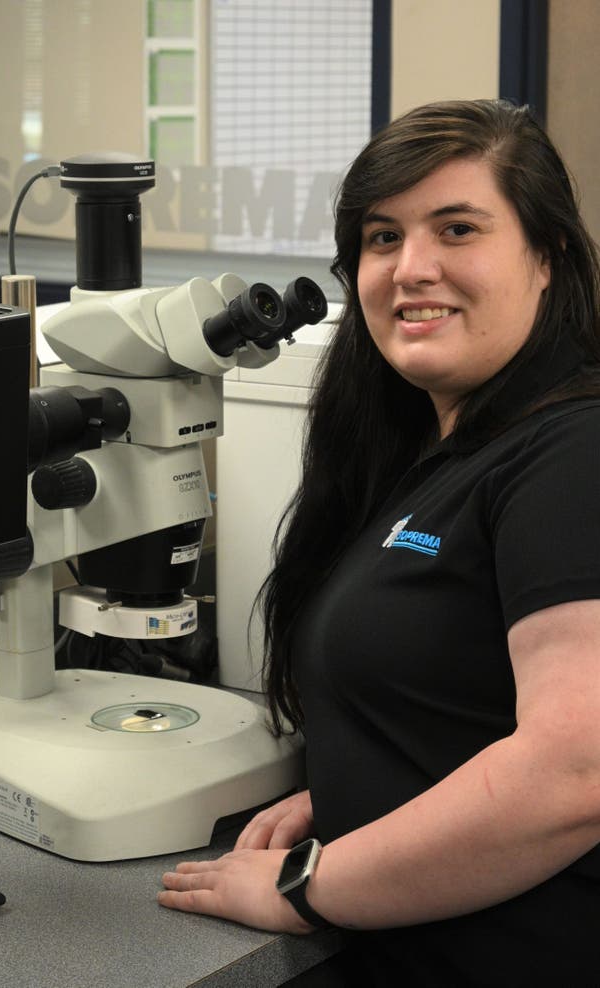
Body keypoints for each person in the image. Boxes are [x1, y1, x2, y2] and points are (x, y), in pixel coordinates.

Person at [158, 99, 600, 986]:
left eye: (458, 228)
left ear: (545, 258)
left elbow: (575, 770)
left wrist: (306, 884)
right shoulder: (440, 451)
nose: (412, 268)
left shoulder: (574, 452)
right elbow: (461, 696)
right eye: (383, 237)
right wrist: (367, 792)